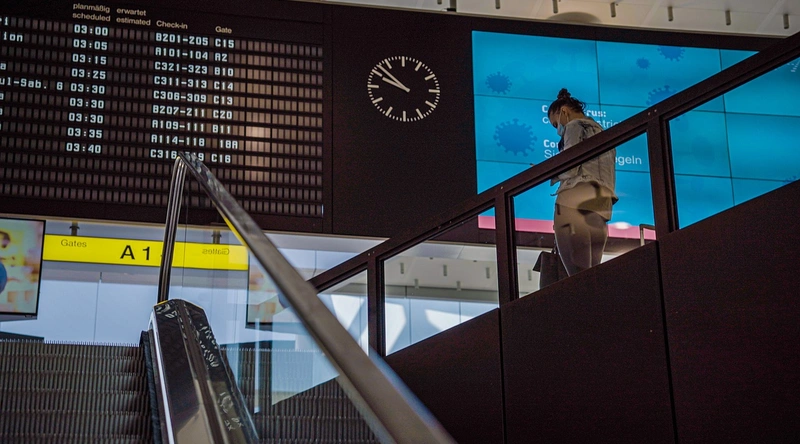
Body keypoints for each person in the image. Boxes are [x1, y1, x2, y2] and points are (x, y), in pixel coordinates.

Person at [547, 88, 617, 276]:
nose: (558, 130)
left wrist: (549, 172)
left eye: (556, 124)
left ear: (564, 111)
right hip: (601, 208)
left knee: (577, 277)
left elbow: (570, 169)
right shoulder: (603, 132)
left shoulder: (574, 126)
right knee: (592, 275)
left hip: (573, 205)